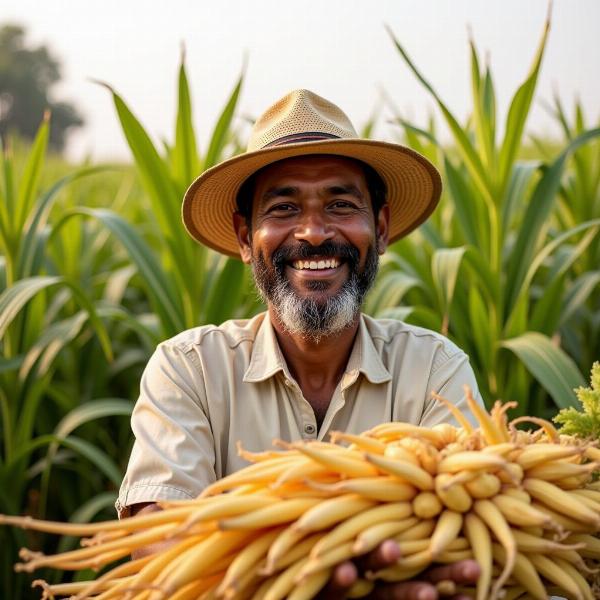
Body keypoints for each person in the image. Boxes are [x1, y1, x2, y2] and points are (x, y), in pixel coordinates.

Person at [117, 89, 482, 598]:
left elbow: (463, 532)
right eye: (285, 207)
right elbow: (158, 541)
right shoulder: (190, 369)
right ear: (246, 239)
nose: (313, 233)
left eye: (341, 204)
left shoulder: (434, 371)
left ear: (380, 229)